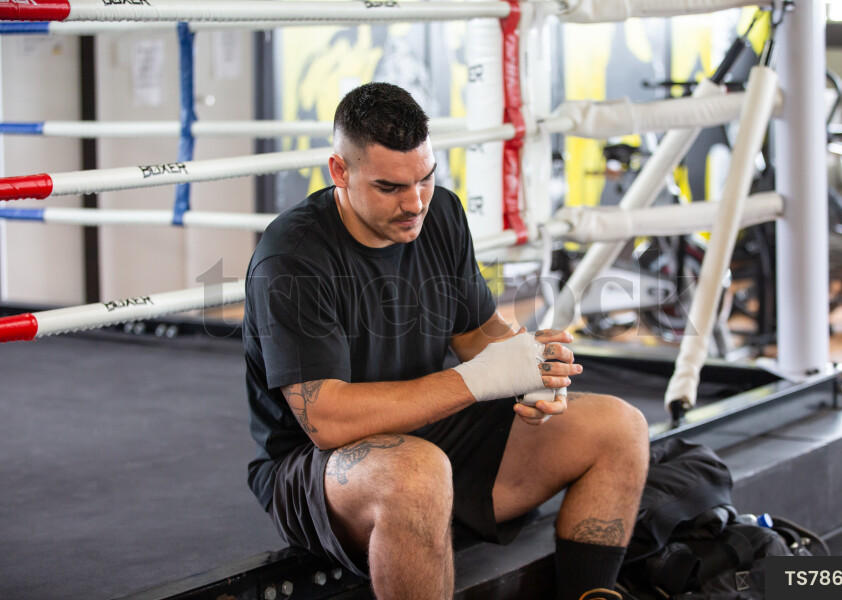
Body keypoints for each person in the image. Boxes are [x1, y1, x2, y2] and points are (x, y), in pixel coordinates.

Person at [243, 82, 649, 600]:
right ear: (340, 172)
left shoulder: (441, 216)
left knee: (620, 427)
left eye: (426, 179)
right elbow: (327, 420)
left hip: (434, 434)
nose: (415, 204)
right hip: (316, 470)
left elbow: (477, 333)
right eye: (390, 187)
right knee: (417, 472)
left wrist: (533, 366)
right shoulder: (294, 257)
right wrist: (478, 379)